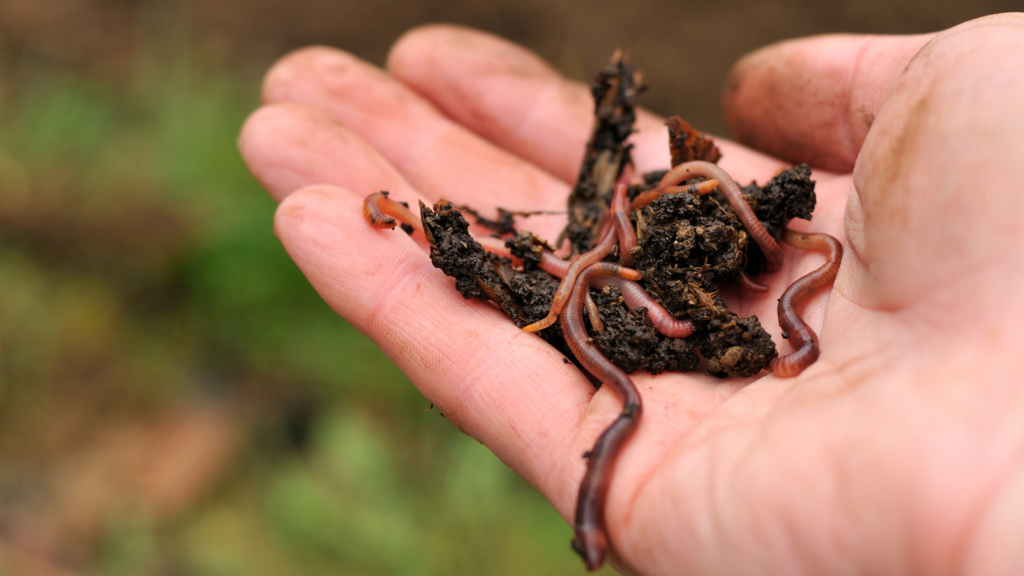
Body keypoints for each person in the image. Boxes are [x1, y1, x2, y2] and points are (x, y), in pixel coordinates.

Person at [238, 14, 1024, 574]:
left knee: (610, 337)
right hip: (617, 254)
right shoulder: (622, 260)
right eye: (794, 351)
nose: (786, 348)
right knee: (609, 347)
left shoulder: (775, 257)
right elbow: (605, 277)